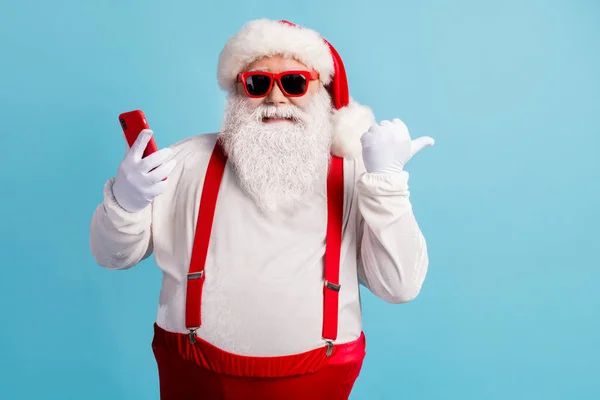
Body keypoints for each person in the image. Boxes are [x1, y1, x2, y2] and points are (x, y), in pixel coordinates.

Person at [90, 18, 434, 400]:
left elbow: (399, 286)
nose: (275, 99)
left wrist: (387, 182)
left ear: (322, 90)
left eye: (294, 83)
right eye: (257, 84)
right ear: (238, 90)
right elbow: (110, 256)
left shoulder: (356, 172)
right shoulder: (184, 162)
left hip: (319, 381)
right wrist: (126, 203)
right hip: (195, 377)